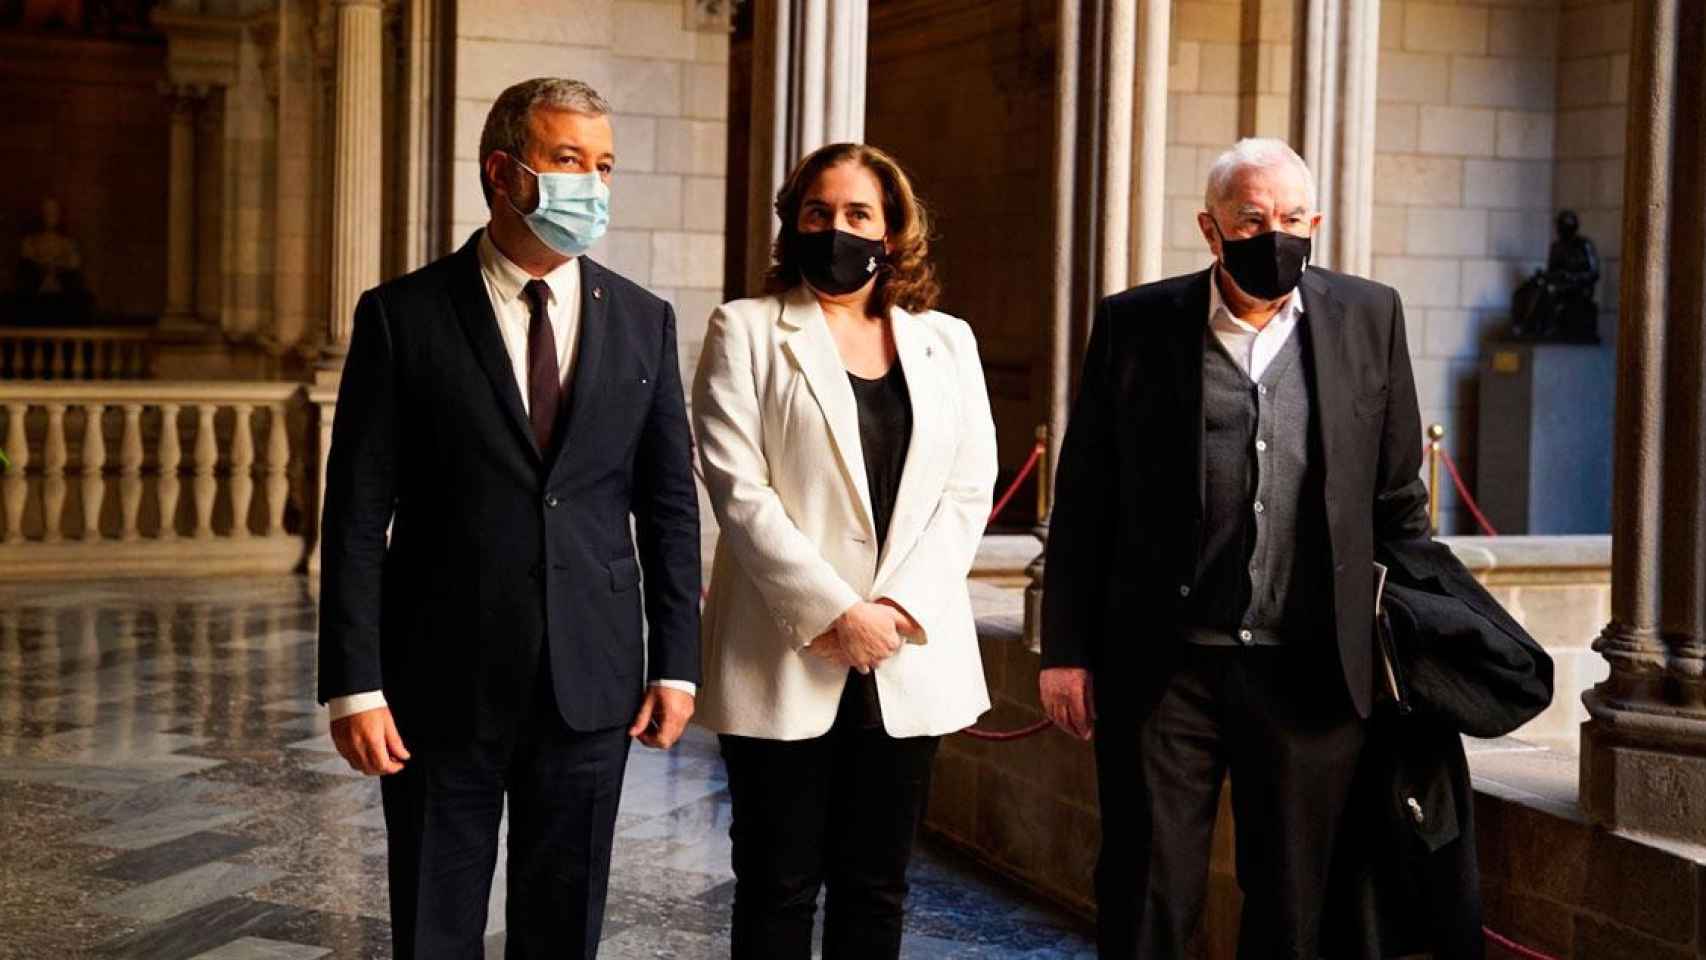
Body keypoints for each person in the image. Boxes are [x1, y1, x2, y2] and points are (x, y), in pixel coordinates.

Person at [317, 77, 701, 959]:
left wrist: (677, 663)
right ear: (503, 171)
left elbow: (670, 509)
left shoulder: (645, 322)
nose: (591, 186)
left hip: (592, 680)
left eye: (604, 166)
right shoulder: (402, 317)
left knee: (563, 927)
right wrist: (354, 683)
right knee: (435, 924)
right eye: (568, 160)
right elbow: (355, 516)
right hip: (436, 681)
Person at [1039, 137, 1445, 958]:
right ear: (1211, 227)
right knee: (1147, 893)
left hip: (1310, 671)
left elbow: (1400, 501)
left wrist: (1422, 636)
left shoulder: (1370, 315)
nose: (1276, 233)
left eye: (1294, 218)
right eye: (1253, 218)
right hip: (1165, 666)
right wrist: (1066, 650)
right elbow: (1086, 500)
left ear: (1317, 221)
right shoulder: (1136, 324)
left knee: (1296, 907)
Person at [691, 142, 997, 960]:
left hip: (904, 653)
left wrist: (895, 611)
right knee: (776, 884)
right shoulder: (746, 329)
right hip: (784, 649)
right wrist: (836, 611)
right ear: (794, 223)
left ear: (892, 233)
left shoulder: (948, 342)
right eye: (819, 212)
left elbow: (969, 490)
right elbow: (737, 486)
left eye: (859, 214)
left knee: (878, 886)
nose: (838, 228)